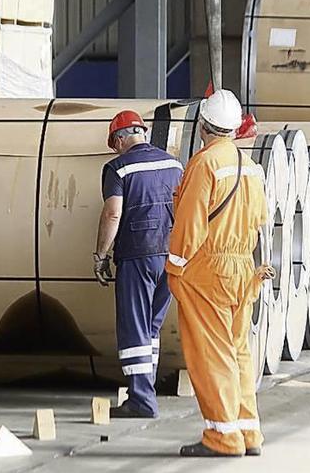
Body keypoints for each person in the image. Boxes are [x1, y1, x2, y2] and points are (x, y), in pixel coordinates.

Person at [166, 89, 273, 457]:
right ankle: (248, 433)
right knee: (239, 352)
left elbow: (190, 221)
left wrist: (175, 266)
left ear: (204, 127)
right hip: (244, 268)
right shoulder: (252, 168)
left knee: (212, 354)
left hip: (208, 270)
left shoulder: (205, 163)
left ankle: (222, 437)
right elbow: (260, 222)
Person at [94, 110, 183, 419]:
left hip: (137, 254)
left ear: (120, 139)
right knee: (151, 328)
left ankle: (142, 400)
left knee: (134, 327)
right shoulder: (174, 164)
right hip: (170, 255)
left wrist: (101, 254)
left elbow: (113, 214)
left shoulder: (118, 168)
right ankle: (145, 391)